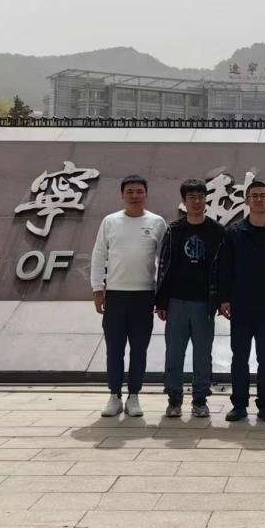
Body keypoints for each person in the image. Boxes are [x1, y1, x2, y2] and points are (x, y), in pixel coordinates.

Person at [90, 175, 167, 418]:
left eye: (139, 191)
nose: (135, 196)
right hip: (115, 295)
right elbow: (98, 255)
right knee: (114, 349)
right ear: (122, 195)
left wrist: (162, 296)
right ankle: (114, 396)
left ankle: (134, 396)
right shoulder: (110, 221)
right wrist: (98, 289)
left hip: (144, 296)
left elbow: (164, 262)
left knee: (139, 350)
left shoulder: (157, 222)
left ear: (146, 194)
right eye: (130, 192)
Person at [218, 180, 265, 423]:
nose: (259, 199)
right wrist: (224, 298)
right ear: (247, 201)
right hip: (240, 305)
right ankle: (239, 405)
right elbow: (225, 268)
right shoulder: (233, 232)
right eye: (254, 196)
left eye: (263, 195)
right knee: (239, 357)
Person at [153, 178, 225, 419]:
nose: (197, 202)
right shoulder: (174, 230)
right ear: (184, 201)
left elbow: (223, 269)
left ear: (206, 200)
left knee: (203, 355)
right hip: (177, 302)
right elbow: (164, 267)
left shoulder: (217, 231)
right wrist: (162, 302)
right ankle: (174, 398)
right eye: (192, 198)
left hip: (204, 303)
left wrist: (221, 300)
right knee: (174, 353)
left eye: (201, 197)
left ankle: (200, 399)